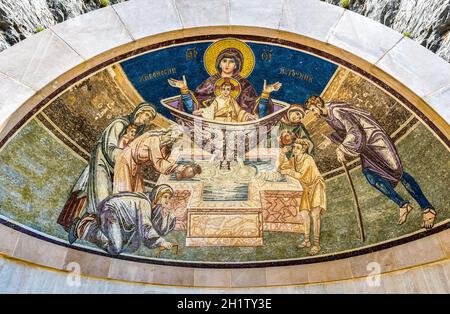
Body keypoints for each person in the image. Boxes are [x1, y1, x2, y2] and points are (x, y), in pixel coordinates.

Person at [305, 95, 437, 229]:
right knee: (370, 175)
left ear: (318, 104)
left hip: (375, 140)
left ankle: (427, 208)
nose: (313, 113)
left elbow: (354, 131)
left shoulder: (337, 111)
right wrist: (331, 139)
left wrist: (342, 148)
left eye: (312, 109)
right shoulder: (328, 115)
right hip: (365, 146)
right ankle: (403, 204)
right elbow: (343, 130)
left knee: (398, 172)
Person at [57, 103, 157, 230]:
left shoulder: (135, 133)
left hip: (116, 166)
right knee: (97, 189)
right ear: (139, 112)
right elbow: (109, 146)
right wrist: (124, 157)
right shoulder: (119, 124)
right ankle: (75, 222)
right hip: (103, 161)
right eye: (147, 115)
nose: (147, 119)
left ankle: (94, 226)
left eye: (150, 118)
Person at [168, 39, 281, 118]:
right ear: (219, 64)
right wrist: (184, 89)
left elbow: (256, 112)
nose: (227, 64)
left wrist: (266, 93)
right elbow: (193, 109)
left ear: (236, 65)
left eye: (231, 62)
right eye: (224, 61)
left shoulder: (245, 84)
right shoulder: (209, 82)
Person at [69, 185, 177, 255]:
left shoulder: (153, 206)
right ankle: (84, 226)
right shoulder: (145, 203)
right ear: (158, 195)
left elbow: (158, 229)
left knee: (132, 246)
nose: (167, 200)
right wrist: (161, 241)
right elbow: (146, 227)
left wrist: (167, 217)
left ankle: (93, 226)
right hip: (110, 212)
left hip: (119, 219)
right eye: (165, 197)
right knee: (115, 248)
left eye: (169, 198)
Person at [112, 125, 201, 194]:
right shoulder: (154, 140)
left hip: (135, 165)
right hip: (125, 162)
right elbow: (159, 163)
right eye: (177, 137)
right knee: (124, 193)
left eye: (177, 139)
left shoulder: (163, 147)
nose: (175, 141)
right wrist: (177, 168)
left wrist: (182, 168)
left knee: (139, 193)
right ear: (170, 133)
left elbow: (166, 161)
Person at [278, 139, 326, 255]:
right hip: (305, 188)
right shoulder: (294, 159)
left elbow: (299, 175)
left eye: (297, 148)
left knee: (315, 215)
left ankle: (316, 244)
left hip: (316, 186)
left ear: (303, 149)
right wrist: (282, 155)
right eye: (294, 147)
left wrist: (288, 172)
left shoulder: (308, 159)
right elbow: (282, 167)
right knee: (304, 214)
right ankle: (306, 240)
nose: (294, 149)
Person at [193, 78, 257, 122]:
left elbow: (239, 111)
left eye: (228, 89)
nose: (225, 91)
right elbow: (210, 110)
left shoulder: (232, 101)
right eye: (223, 89)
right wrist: (201, 112)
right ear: (220, 90)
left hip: (231, 123)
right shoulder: (217, 100)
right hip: (219, 123)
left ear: (231, 91)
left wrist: (248, 116)